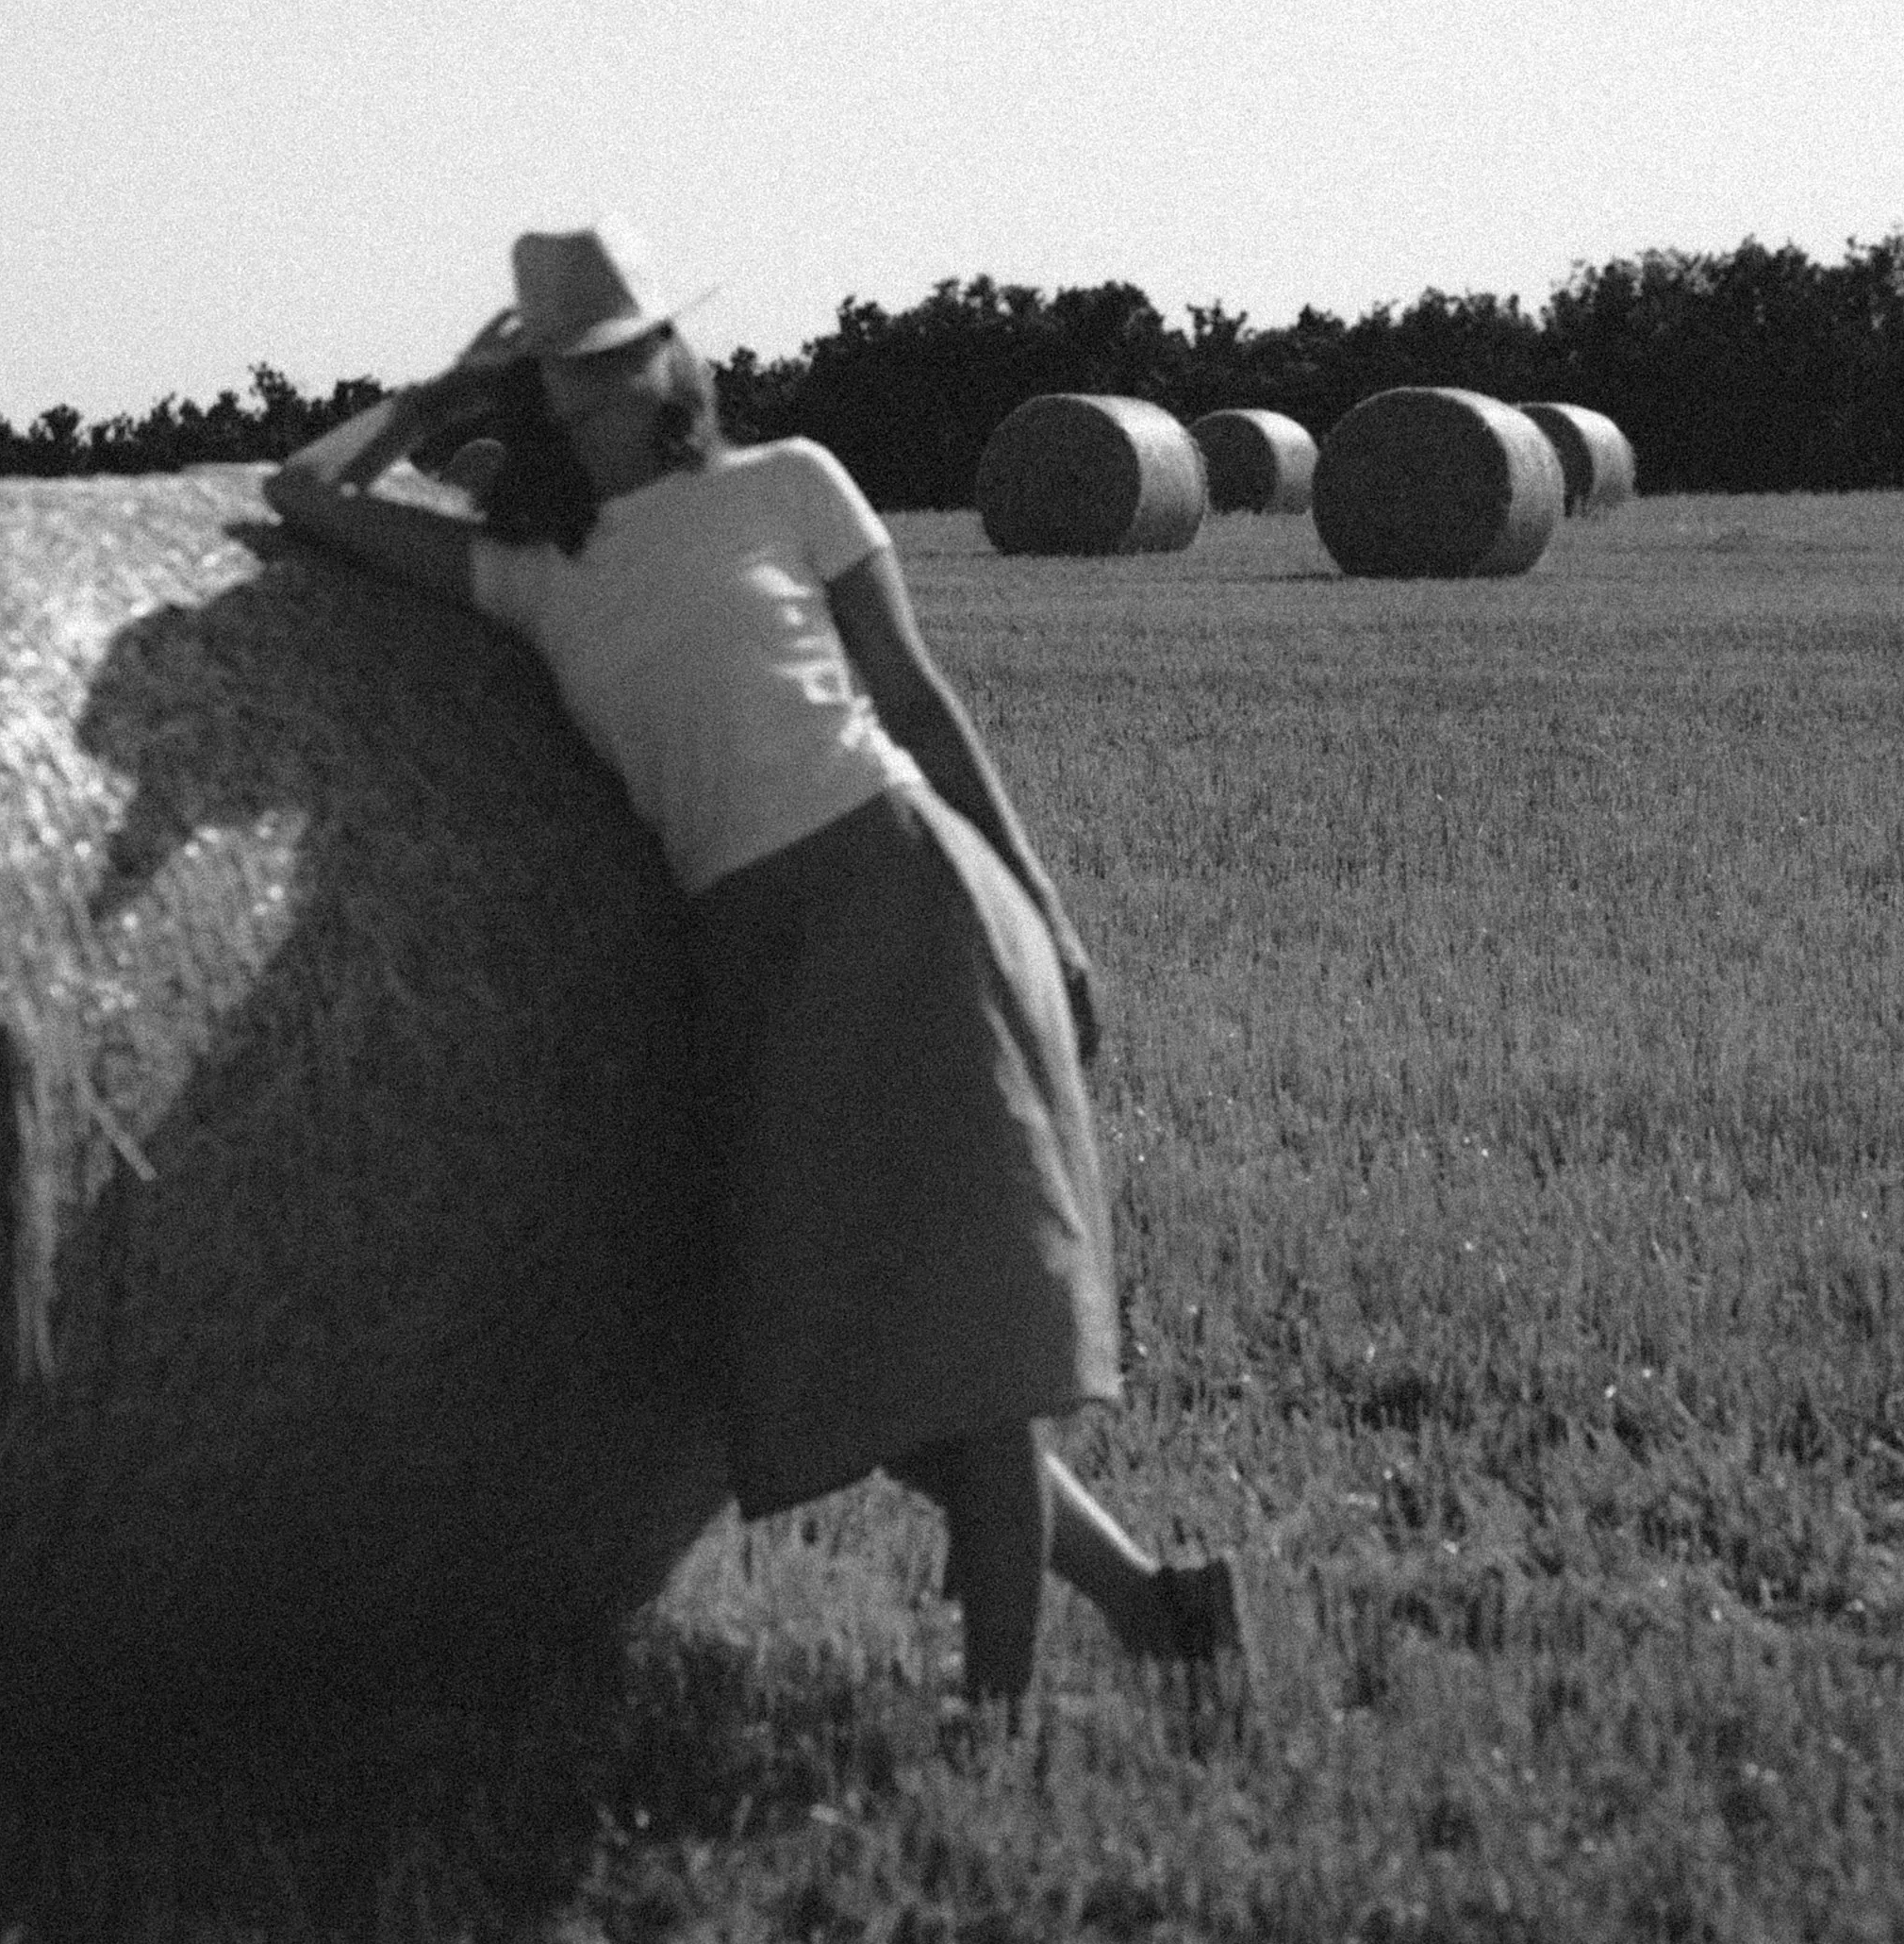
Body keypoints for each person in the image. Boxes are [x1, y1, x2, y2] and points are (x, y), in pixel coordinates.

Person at [262, 221, 1240, 1715]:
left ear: (671, 361)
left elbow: (916, 703)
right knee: (848, 1365)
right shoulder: (527, 570)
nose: (600, 397)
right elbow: (298, 497)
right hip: (750, 959)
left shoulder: (790, 484)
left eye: (618, 364)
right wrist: (436, 395)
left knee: (971, 1359)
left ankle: (996, 1735)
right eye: (563, 381)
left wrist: (1043, 903)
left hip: (900, 900)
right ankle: (1159, 1608)